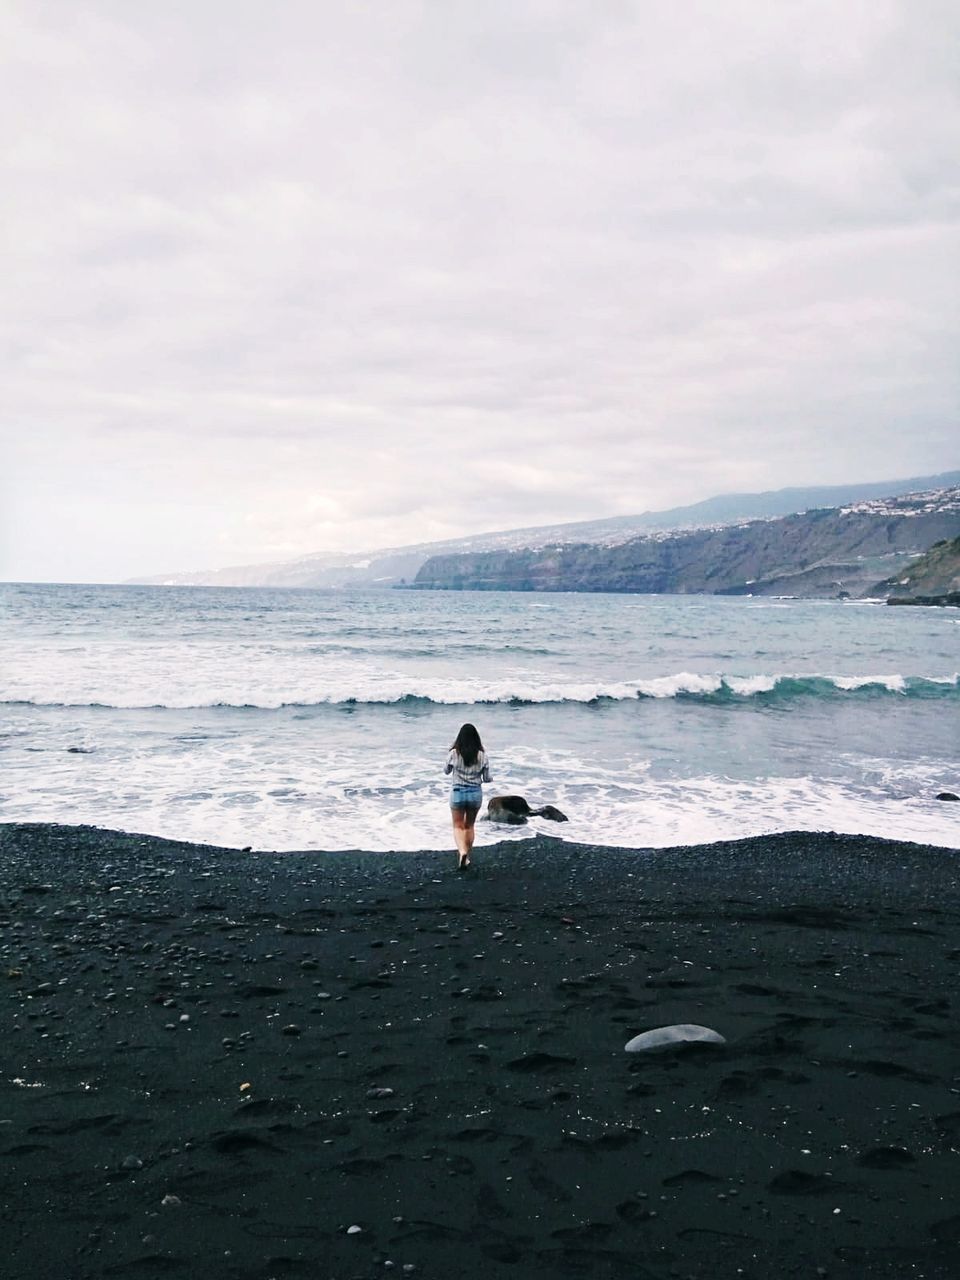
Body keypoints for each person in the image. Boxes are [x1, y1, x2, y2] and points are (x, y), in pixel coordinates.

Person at [444, 723, 491, 870]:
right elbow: (487, 777)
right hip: (475, 793)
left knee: (458, 826)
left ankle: (462, 852)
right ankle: (467, 856)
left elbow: (446, 771)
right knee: (469, 825)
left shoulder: (453, 753)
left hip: (458, 792)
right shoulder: (482, 756)